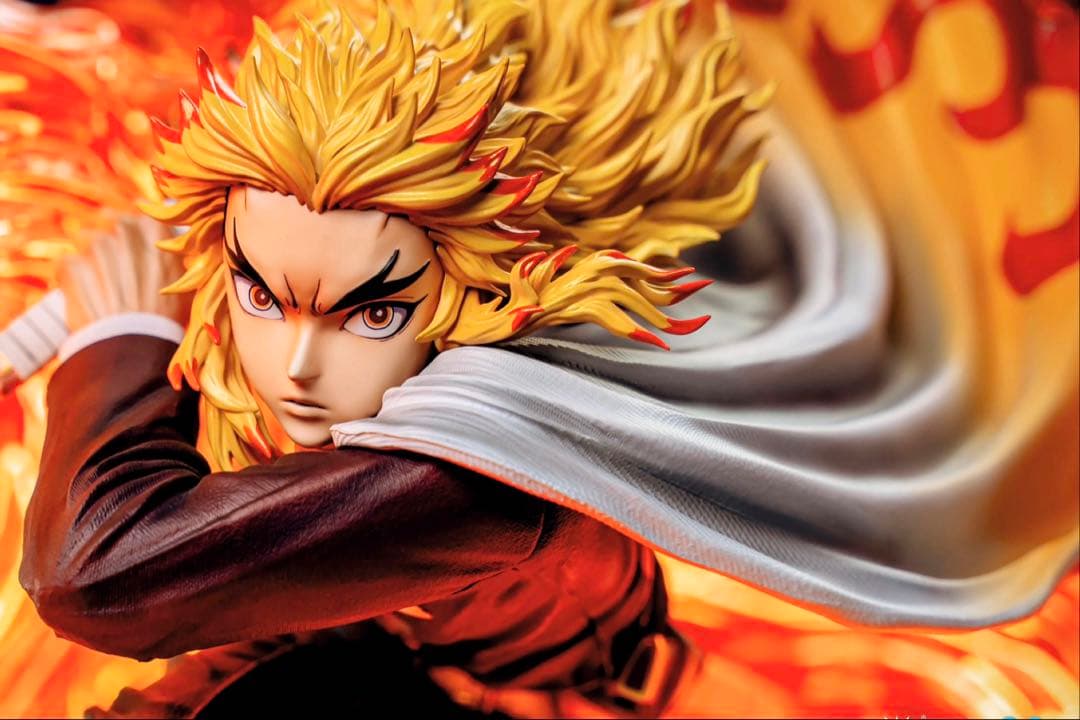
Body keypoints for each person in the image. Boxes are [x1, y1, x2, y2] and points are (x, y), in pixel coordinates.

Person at [20, 0, 763, 716]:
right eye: (263, 296)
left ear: (473, 288)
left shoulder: (487, 451)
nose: (297, 366)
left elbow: (91, 579)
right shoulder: (292, 361)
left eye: (373, 314)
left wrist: (121, 338)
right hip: (350, 632)